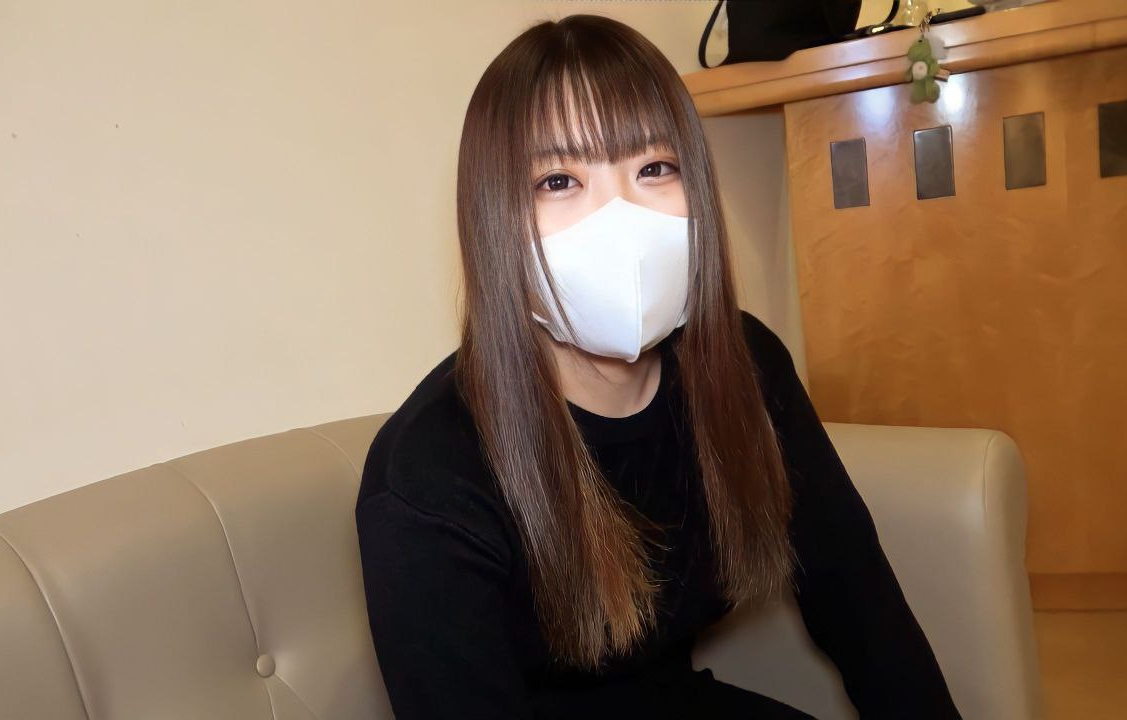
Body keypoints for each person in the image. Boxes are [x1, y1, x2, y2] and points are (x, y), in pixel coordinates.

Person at [354, 13, 962, 720]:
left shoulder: (746, 366)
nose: (620, 219)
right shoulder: (429, 474)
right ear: (494, 223)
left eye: (653, 169)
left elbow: (857, 599)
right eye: (558, 180)